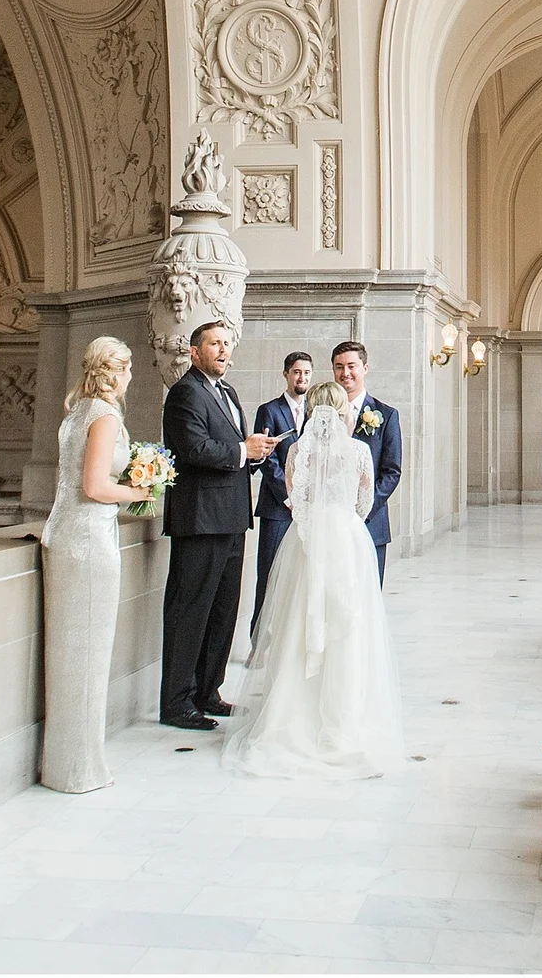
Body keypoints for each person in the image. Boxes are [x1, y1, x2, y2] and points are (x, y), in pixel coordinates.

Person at [225, 384, 405, 779]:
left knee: (299, 620)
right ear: (341, 412)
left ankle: (292, 716)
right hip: (346, 540)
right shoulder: (358, 451)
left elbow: (294, 497)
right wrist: (343, 522)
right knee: (348, 625)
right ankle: (345, 719)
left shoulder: (297, 452)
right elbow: (363, 504)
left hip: (305, 540)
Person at [38, 337, 155, 792]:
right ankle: (78, 770)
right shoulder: (104, 416)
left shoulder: (77, 413)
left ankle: (65, 765)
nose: (131, 377)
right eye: (128, 369)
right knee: (86, 656)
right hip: (88, 540)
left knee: (71, 655)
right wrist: (139, 491)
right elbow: (94, 487)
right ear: (116, 372)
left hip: (66, 532)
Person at [157, 321, 276, 729]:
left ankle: (208, 691)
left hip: (232, 517)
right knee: (190, 611)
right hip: (200, 520)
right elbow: (193, 449)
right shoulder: (184, 393)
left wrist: (255, 454)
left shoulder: (228, 392)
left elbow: (232, 451)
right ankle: (176, 703)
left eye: (227, 343)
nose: (224, 350)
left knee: (223, 612)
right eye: (214, 344)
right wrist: (243, 449)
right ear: (195, 352)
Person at [250, 351, 313, 633]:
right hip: (278, 507)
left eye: (307, 373)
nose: (302, 378)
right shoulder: (269, 410)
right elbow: (267, 459)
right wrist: (288, 496)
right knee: (269, 574)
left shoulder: (315, 411)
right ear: (286, 374)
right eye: (297, 372)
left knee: (299, 578)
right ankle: (258, 637)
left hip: (307, 510)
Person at [329, 341, 402, 580]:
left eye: (351, 366)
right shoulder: (321, 414)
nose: (345, 373)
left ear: (365, 368)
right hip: (330, 527)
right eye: (339, 367)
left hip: (371, 522)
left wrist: (362, 509)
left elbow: (391, 472)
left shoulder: (386, 415)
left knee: (367, 593)